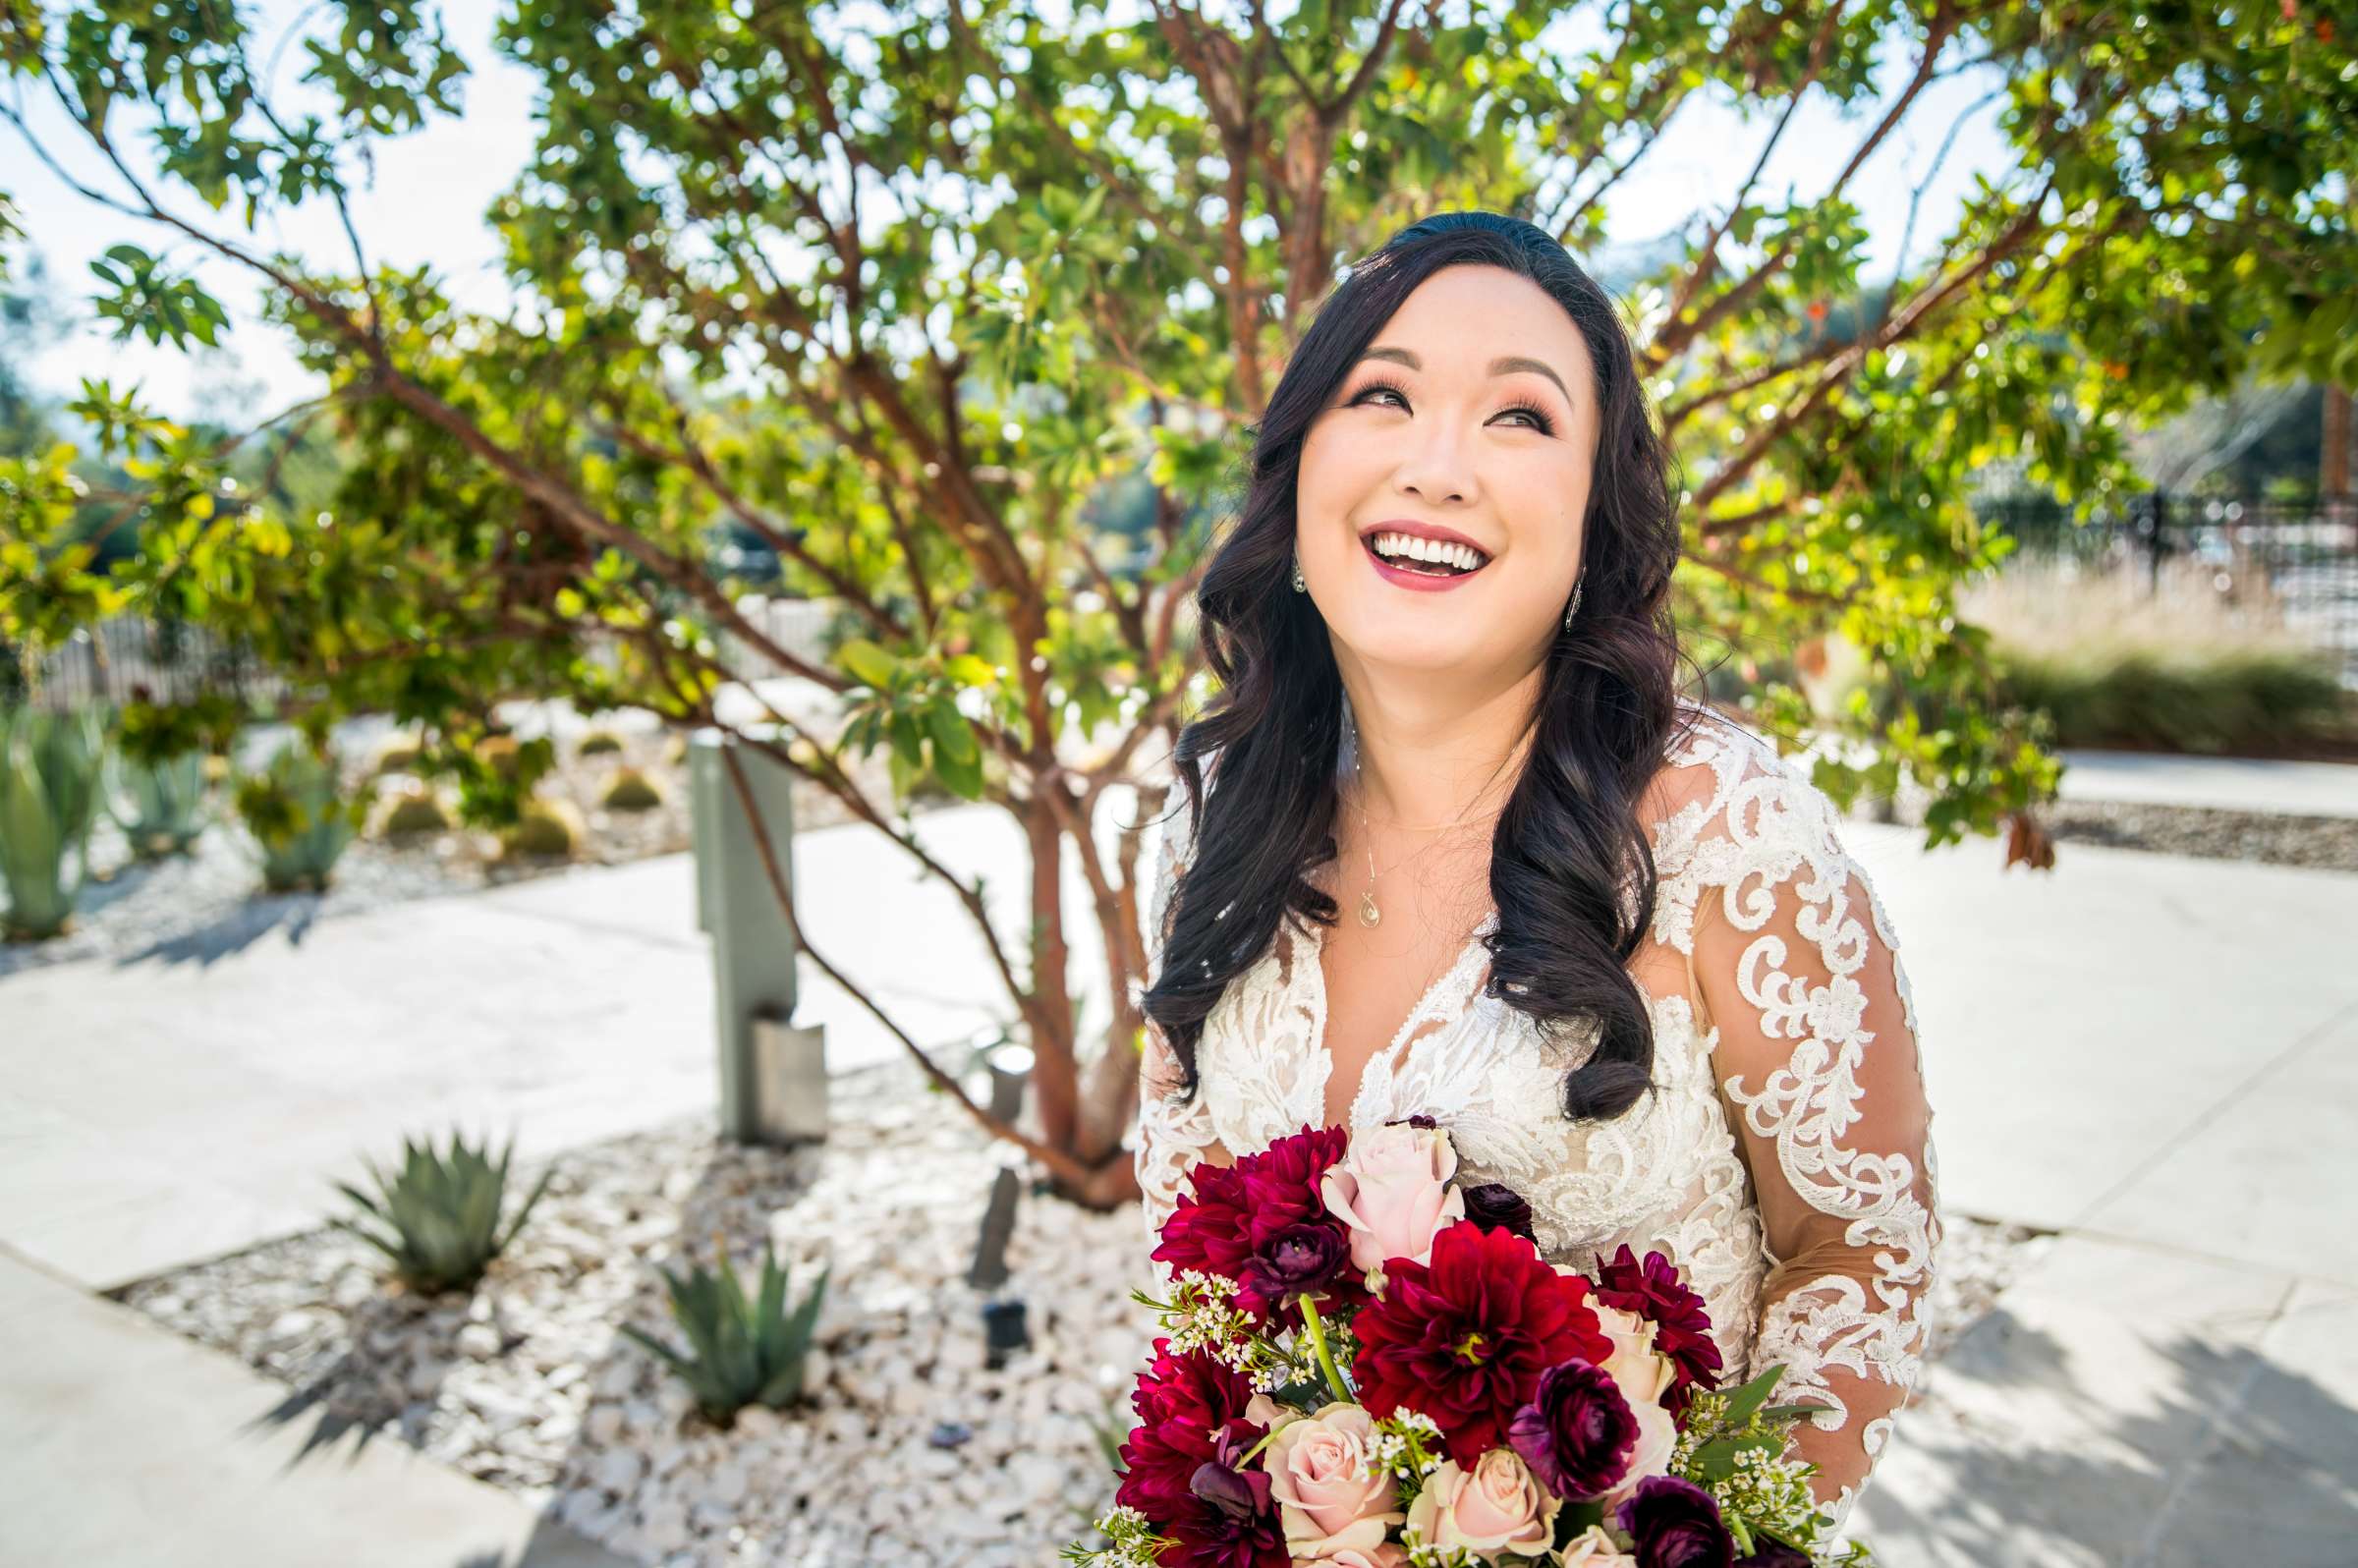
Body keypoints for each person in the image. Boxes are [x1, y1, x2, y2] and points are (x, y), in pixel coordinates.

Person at [1132, 211, 1938, 1539]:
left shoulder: (1715, 830)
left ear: (1590, 520)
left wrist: (1701, 1546)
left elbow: (1858, 1252)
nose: (1437, 466)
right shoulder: (1207, 828)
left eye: (1519, 417)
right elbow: (1197, 1284)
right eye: (1381, 394)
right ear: (1300, 469)